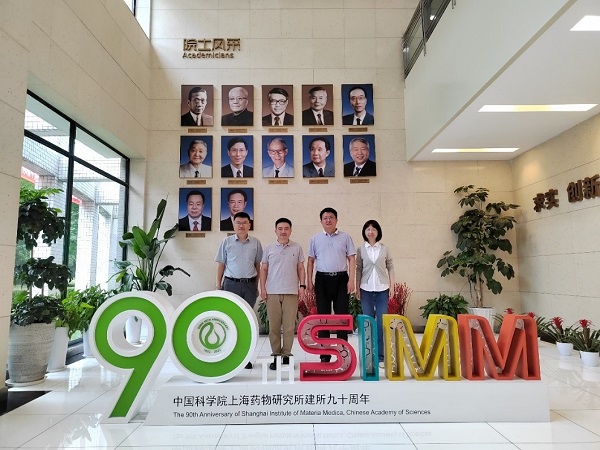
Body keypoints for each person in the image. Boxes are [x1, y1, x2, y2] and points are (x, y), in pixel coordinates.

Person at [307, 207, 356, 362]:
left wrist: (351, 280)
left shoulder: (345, 237)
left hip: (341, 280)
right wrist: (309, 281)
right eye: (325, 218)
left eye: (331, 217)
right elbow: (310, 261)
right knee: (323, 317)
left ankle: (343, 353)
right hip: (322, 280)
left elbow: (352, 258)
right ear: (321, 221)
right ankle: (325, 355)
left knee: (342, 318)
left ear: (336, 220)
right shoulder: (315, 239)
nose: (328, 220)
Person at [215, 211, 263, 369]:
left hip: (249, 285)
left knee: (247, 322)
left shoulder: (256, 243)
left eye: (244, 222)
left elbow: (258, 266)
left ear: (249, 224)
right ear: (233, 224)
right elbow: (221, 265)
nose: (241, 225)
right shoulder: (226, 242)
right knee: (231, 321)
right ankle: (230, 356)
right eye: (238, 223)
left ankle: (245, 358)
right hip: (231, 285)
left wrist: (257, 286)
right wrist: (218, 286)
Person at [259, 218, 306, 370]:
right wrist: (263, 288)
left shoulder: (297, 247)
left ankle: (286, 355)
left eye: (286, 228)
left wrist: (302, 286)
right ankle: (276, 356)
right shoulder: (269, 248)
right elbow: (264, 269)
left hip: (291, 292)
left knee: (289, 327)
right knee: (273, 327)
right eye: (280, 228)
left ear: (291, 231)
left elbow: (300, 268)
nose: (283, 231)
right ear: (275, 231)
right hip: (272, 292)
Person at [355, 219, 394, 367]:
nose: (370, 232)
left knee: (380, 322)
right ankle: (368, 356)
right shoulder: (361, 249)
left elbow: (390, 267)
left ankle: (380, 357)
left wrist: (392, 286)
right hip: (365, 289)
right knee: (367, 322)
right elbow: (358, 269)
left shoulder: (384, 248)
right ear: (364, 232)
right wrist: (357, 287)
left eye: (373, 229)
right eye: (368, 229)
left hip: (382, 289)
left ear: (378, 232)